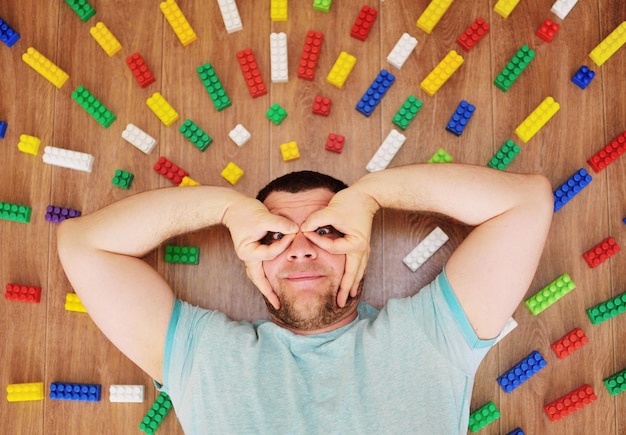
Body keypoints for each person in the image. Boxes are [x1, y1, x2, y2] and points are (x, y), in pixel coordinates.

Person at [57, 163, 553, 434]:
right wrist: (228, 209)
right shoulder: (203, 356)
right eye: (272, 238)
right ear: (251, 263)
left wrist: (370, 196)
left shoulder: (431, 336)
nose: (300, 250)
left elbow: (526, 202)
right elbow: (82, 244)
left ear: (358, 248)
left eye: (328, 230)